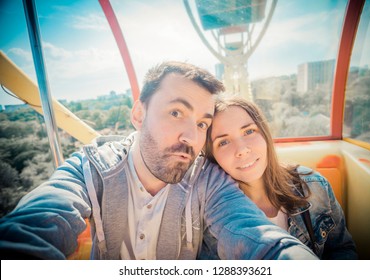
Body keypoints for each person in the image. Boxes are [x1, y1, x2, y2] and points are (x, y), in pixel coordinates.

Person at [0, 62, 317, 260]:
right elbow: (37, 222)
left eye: (202, 124)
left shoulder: (207, 180)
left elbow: (257, 237)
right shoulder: (91, 169)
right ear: (139, 114)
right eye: (176, 112)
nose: (191, 137)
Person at [205, 96, 358, 259]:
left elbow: (341, 249)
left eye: (249, 131)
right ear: (213, 156)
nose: (242, 149)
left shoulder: (314, 186)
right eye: (223, 142)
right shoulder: (212, 218)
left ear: (265, 134)